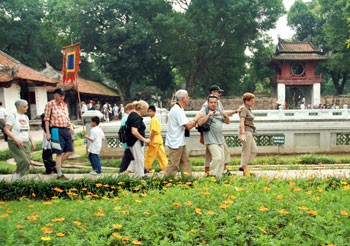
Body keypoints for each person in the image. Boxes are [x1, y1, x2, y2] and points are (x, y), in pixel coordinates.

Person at [202, 85, 242, 175]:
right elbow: (201, 119)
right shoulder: (206, 105)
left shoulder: (218, 103)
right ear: (212, 92)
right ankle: (215, 172)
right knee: (217, 155)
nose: (220, 94)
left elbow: (223, 114)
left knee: (216, 154)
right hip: (210, 134)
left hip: (218, 135)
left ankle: (216, 172)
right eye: (218, 92)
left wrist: (235, 111)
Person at [165, 89, 201, 177]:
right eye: (187, 97)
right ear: (184, 98)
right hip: (175, 142)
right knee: (173, 164)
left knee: (185, 162)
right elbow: (188, 126)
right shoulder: (177, 110)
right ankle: (166, 181)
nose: (188, 99)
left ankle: (187, 180)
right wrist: (196, 118)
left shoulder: (179, 109)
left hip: (179, 141)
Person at [44, 88, 74, 179]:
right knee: (59, 152)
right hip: (56, 129)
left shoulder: (64, 105)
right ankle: (59, 173)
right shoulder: (50, 104)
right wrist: (48, 133)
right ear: (55, 95)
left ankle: (56, 166)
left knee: (70, 151)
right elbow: (46, 119)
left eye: (63, 95)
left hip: (66, 129)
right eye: (60, 95)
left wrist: (71, 126)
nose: (62, 97)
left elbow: (67, 117)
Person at [198, 94, 230, 176]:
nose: (213, 104)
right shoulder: (205, 110)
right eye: (211, 102)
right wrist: (208, 115)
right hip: (210, 140)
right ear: (208, 103)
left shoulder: (219, 111)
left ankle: (218, 177)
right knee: (217, 158)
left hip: (219, 140)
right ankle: (211, 175)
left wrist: (225, 115)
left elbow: (227, 122)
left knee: (222, 160)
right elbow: (200, 122)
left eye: (215, 102)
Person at [3, 99, 35, 181]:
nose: (26, 108)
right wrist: (16, 139)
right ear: (19, 107)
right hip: (14, 142)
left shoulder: (26, 117)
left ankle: (21, 178)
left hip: (25, 141)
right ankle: (17, 176)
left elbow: (28, 130)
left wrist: (32, 141)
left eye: (27, 106)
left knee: (27, 161)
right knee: (23, 160)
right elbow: (6, 129)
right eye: (24, 106)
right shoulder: (13, 116)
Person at [125, 100, 150, 177]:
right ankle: (140, 176)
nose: (146, 112)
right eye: (146, 109)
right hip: (135, 141)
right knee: (139, 159)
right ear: (142, 108)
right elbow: (134, 131)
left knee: (137, 159)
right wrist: (144, 139)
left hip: (132, 140)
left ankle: (138, 174)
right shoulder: (136, 117)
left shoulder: (132, 115)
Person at [239, 92, 258, 176]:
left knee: (254, 150)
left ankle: (244, 166)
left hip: (249, 131)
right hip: (245, 131)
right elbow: (242, 121)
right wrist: (243, 133)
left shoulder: (248, 109)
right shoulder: (244, 109)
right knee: (246, 151)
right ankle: (244, 168)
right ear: (246, 101)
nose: (253, 102)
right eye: (251, 101)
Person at [144, 105, 168, 172]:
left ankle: (145, 168)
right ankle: (166, 168)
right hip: (159, 140)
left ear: (154, 112)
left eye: (151, 111)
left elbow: (153, 131)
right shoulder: (155, 119)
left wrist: (149, 140)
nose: (149, 113)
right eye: (148, 111)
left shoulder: (153, 120)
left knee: (150, 155)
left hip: (154, 140)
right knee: (161, 155)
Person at [119, 103, 135, 173]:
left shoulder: (126, 118)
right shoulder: (128, 118)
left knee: (128, 158)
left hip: (126, 141)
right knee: (136, 158)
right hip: (129, 141)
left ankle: (121, 171)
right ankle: (144, 171)